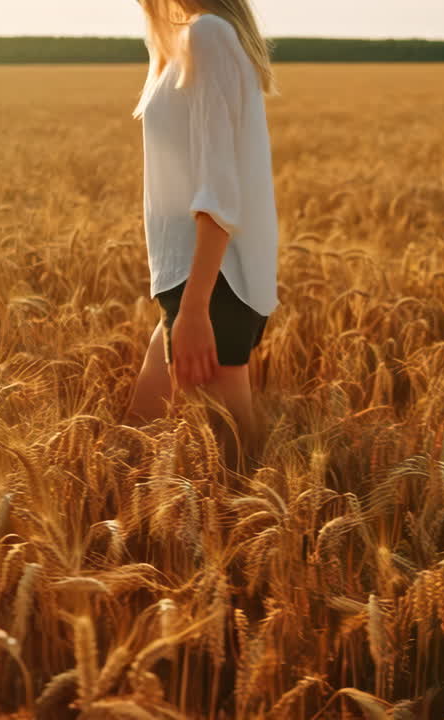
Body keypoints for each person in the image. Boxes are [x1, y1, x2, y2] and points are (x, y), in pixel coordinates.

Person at [124, 0, 280, 462]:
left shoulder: (207, 35)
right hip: (187, 279)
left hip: (211, 282)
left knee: (234, 460)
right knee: (135, 440)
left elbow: (218, 187)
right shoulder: (182, 40)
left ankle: (276, 532)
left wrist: (195, 308)